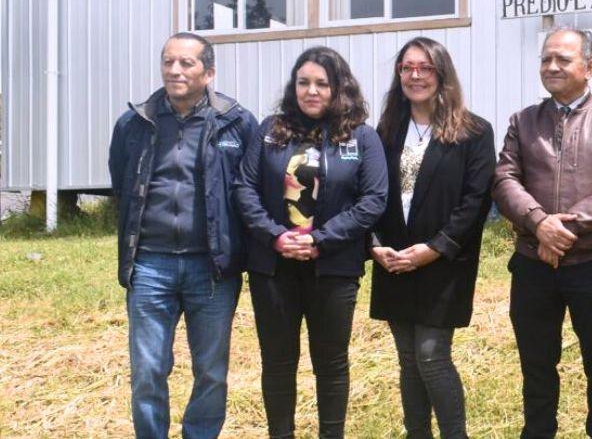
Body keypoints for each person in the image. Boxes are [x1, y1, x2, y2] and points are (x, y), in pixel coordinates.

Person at [493, 27, 592, 439]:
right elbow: (505, 180)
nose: (552, 66)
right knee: (536, 367)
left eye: (563, 59)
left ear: (589, 67)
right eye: (546, 59)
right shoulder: (523, 122)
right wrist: (540, 223)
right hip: (532, 264)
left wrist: (562, 229)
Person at [109, 32, 258, 439]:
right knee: (147, 371)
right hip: (149, 266)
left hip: (211, 267)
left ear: (208, 72)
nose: (175, 70)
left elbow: (250, 190)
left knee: (211, 370)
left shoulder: (238, 123)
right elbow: (121, 184)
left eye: (186, 63)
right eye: (168, 61)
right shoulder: (134, 123)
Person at [235, 46, 388, 438]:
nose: (312, 91)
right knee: (278, 362)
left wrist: (321, 240)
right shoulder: (269, 129)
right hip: (273, 267)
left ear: (340, 88)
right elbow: (244, 189)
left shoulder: (362, 138)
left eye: (322, 83)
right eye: (304, 82)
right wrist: (275, 236)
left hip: (333, 268)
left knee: (331, 363)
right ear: (294, 87)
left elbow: (373, 200)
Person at [369, 37, 495, 439]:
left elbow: (475, 202)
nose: (415, 75)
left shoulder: (473, 132)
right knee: (408, 358)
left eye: (424, 67)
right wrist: (374, 246)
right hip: (394, 259)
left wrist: (433, 249)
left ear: (442, 73)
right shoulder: (385, 130)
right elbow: (368, 193)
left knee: (431, 356)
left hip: (443, 262)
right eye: (407, 67)